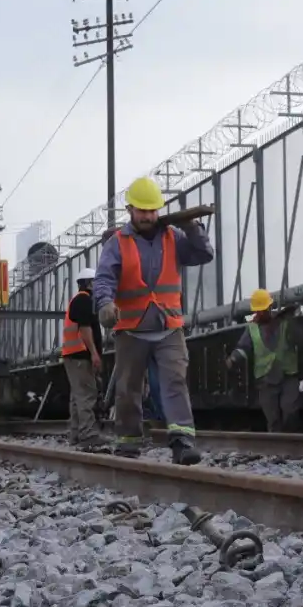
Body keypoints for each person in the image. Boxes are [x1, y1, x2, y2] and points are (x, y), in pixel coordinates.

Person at [94, 176, 214, 462]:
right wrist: (106, 303)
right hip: (131, 329)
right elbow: (104, 278)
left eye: (153, 210)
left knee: (175, 381)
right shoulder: (117, 243)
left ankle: (182, 441)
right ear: (131, 210)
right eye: (142, 211)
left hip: (168, 326)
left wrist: (191, 226)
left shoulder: (174, 237)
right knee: (128, 388)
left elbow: (203, 254)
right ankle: (128, 441)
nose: (148, 216)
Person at [227, 289, 303, 432]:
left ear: (270, 307)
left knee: (290, 409)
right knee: (272, 418)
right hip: (266, 380)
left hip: (288, 375)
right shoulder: (252, 328)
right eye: (258, 310)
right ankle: (276, 448)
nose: (261, 313)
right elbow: (244, 347)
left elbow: (298, 339)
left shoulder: (283, 323)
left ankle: (292, 444)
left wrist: (292, 320)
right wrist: (233, 358)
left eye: (263, 309)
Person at [63, 267, 106, 449]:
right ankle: (88, 435)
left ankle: (75, 435)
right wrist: (94, 353)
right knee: (87, 395)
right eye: (97, 282)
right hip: (80, 355)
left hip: (73, 356)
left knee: (77, 397)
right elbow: (85, 329)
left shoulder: (78, 300)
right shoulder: (84, 301)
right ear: (90, 283)